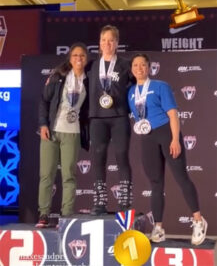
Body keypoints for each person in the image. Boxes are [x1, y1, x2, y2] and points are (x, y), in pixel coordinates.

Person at [128, 53, 207, 245]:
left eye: (143, 65)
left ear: (149, 68)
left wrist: (175, 139)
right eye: (136, 65)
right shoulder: (130, 92)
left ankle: (198, 221)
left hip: (166, 134)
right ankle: (159, 228)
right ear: (132, 69)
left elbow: (173, 114)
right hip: (147, 138)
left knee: (181, 178)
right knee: (156, 184)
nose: (139, 68)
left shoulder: (160, 86)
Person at [36, 42, 89, 228]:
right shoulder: (58, 76)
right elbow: (44, 100)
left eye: (82, 56)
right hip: (52, 130)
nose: (79, 59)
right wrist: (43, 124)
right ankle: (43, 214)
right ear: (70, 58)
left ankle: (66, 215)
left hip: (72, 133)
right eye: (75, 55)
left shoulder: (88, 79)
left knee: (69, 176)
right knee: (46, 175)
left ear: (86, 59)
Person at [88, 25, 132, 215]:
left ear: (117, 43)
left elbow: (139, 82)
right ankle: (100, 203)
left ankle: (124, 202)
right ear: (99, 43)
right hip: (98, 117)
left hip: (119, 116)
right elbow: (72, 68)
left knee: (122, 156)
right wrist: (55, 75)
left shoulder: (125, 64)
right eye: (104, 40)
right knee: (98, 159)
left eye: (111, 40)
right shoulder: (92, 65)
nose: (107, 43)